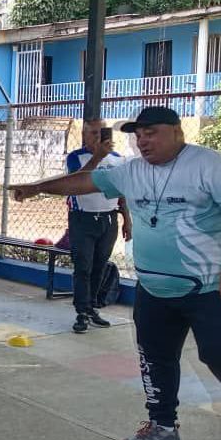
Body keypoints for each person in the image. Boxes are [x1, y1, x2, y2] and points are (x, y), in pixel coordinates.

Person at [10, 107, 221, 440]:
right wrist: (37, 187)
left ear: (177, 132)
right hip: (154, 288)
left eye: (151, 133)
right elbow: (84, 182)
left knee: (218, 354)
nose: (143, 141)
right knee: (155, 358)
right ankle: (162, 427)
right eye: (138, 135)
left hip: (209, 287)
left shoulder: (209, 165)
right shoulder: (130, 171)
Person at [65, 123, 133, 333]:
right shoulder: (76, 157)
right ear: (84, 135)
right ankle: (81, 312)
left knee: (99, 266)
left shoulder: (117, 159)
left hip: (108, 219)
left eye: (101, 133)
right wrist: (97, 157)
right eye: (93, 133)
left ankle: (92, 307)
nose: (98, 137)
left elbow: (121, 191)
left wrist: (127, 219)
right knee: (83, 266)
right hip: (83, 219)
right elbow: (77, 180)